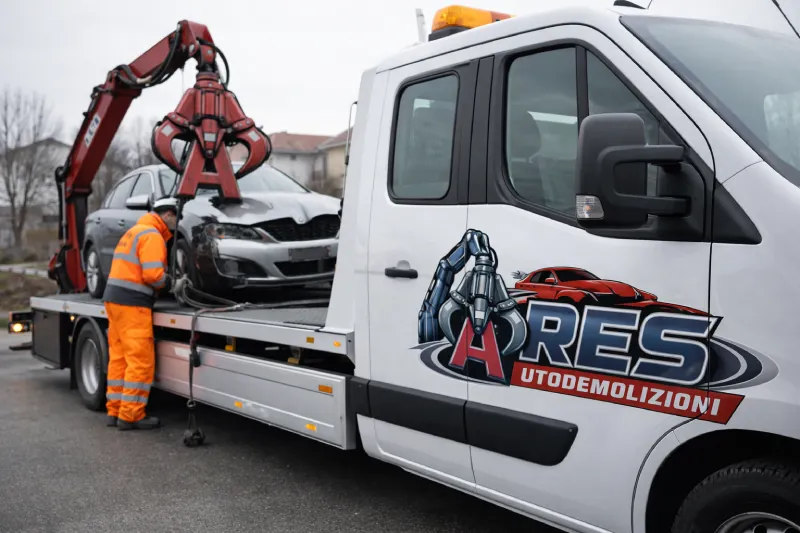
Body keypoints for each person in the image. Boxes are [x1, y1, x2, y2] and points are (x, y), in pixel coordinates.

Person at [103, 197, 179, 430]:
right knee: (140, 361)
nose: (178, 222)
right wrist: (173, 284)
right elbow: (153, 276)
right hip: (133, 305)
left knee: (119, 359)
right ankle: (131, 415)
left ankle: (114, 410)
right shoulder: (153, 236)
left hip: (114, 302)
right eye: (177, 217)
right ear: (167, 215)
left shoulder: (134, 231)